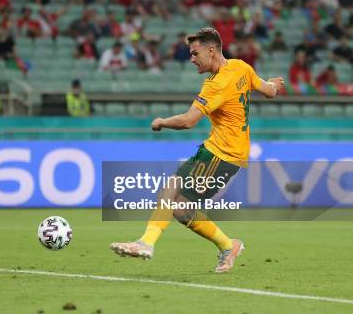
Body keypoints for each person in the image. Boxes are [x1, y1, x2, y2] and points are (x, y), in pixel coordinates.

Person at [110, 28, 285, 273]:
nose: (192, 59)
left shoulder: (216, 84)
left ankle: (149, 243)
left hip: (222, 154)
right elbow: (268, 91)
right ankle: (222, 245)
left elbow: (187, 121)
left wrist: (161, 121)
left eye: (195, 53)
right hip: (216, 151)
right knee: (175, 200)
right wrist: (273, 84)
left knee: (175, 201)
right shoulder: (241, 66)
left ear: (211, 50)